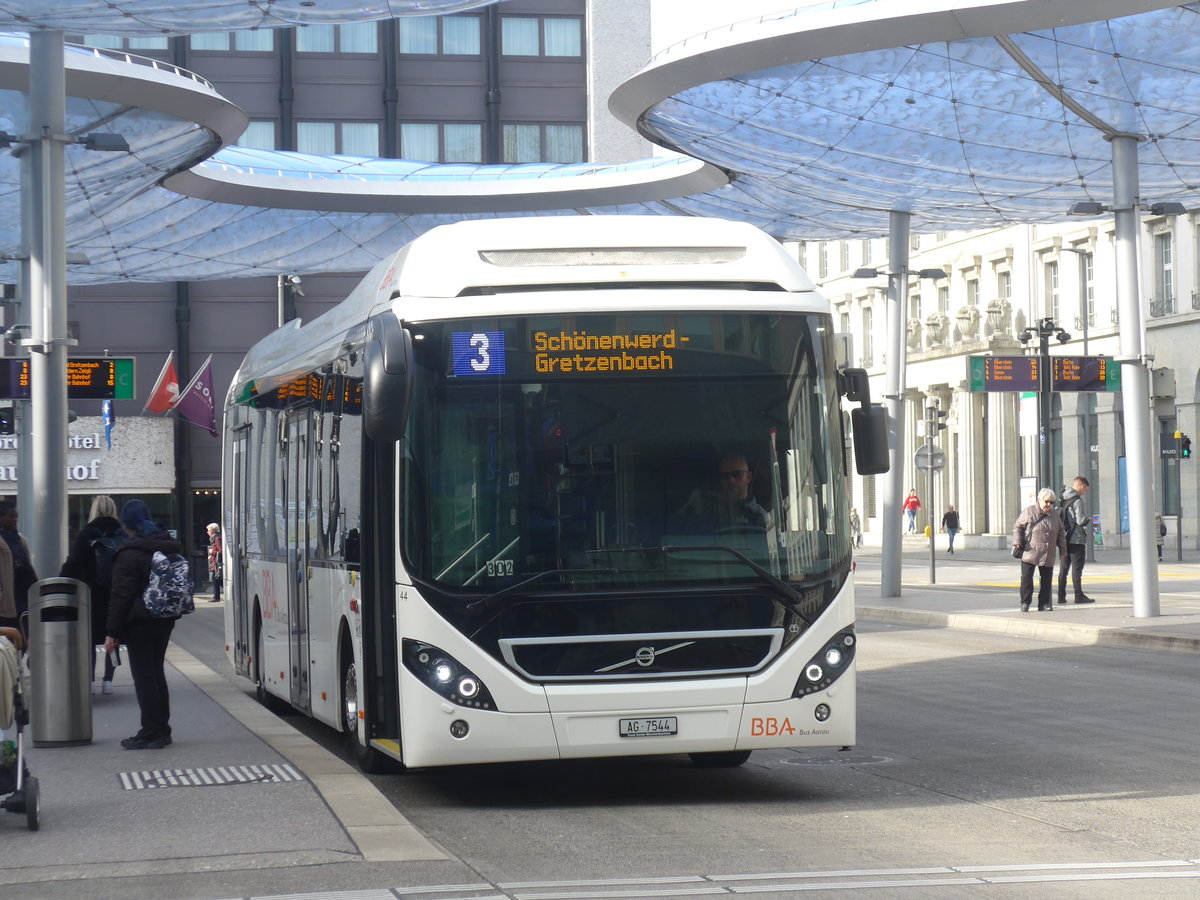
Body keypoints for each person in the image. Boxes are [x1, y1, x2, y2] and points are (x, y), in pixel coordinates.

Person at [104, 500, 183, 750]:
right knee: (156, 672)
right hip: (164, 618)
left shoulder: (130, 553)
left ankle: (151, 731)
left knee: (144, 676)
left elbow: (121, 596)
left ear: (126, 524)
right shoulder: (165, 546)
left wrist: (112, 631)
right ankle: (162, 728)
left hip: (139, 622)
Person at [59, 495, 125, 694]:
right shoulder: (122, 533)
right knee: (113, 636)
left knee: (88, 639)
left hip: (91, 595)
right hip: (116, 595)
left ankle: (89, 681)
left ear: (93, 510)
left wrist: (61, 581)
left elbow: (73, 565)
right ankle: (108, 681)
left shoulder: (86, 534)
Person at [677, 454, 770, 531]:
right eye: (725, 476)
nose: (730, 480)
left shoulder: (761, 516)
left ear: (748, 477)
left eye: (737, 474)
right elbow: (680, 527)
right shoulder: (706, 508)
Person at [1013, 488, 1068, 612]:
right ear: (1039, 500)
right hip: (1030, 551)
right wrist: (1016, 542)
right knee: (1027, 579)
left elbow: (1061, 533)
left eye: (1051, 502)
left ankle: (1044, 603)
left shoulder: (1055, 515)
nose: (1049, 504)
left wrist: (1063, 551)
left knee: (1046, 580)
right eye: (1046, 501)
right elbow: (1018, 527)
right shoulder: (1029, 511)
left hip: (1048, 552)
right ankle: (1025, 602)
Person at [0, 500, 37, 633]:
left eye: (16, 516)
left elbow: (27, 567)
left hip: (20, 596)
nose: (15, 519)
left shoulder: (20, 539)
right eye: (11, 516)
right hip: (6, 598)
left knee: (21, 635)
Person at [1057, 476, 1094, 605]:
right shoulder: (1078, 501)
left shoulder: (1063, 498)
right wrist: (1088, 519)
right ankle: (1078, 595)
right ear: (1082, 486)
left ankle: (1061, 596)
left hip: (1064, 539)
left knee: (1064, 569)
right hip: (1076, 539)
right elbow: (1079, 521)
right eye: (1085, 489)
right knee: (1077, 569)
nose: (1085, 492)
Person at [206, 523, 223, 602]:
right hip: (215, 562)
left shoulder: (217, 538)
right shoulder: (215, 538)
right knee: (217, 580)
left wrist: (211, 552)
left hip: (217, 564)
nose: (207, 532)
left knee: (216, 579)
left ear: (213, 531)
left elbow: (220, 551)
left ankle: (216, 596)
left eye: (209, 531)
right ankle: (216, 596)